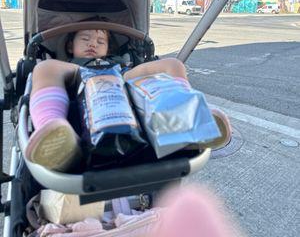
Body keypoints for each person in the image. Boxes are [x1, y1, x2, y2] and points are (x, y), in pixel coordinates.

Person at [26, 28, 231, 171]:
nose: (92, 44)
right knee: (44, 68)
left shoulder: (116, 62)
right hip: (80, 74)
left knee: (173, 64)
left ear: (108, 48)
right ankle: (55, 132)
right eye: (85, 39)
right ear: (70, 46)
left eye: (100, 41)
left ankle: (188, 121)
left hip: (120, 76)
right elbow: (56, 70)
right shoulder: (67, 65)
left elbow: (133, 72)